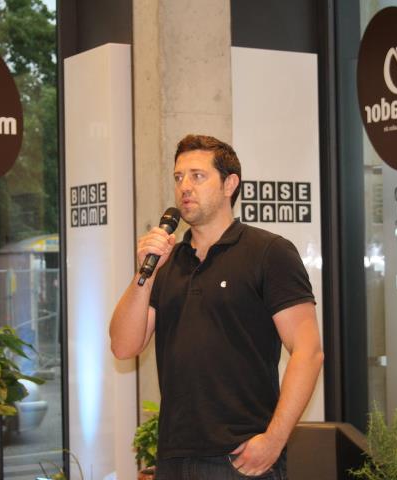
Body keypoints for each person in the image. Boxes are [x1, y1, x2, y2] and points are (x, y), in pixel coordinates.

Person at [110, 134, 323, 479]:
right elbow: (123, 346)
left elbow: (308, 351)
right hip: (175, 457)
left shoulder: (269, 253)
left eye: (197, 176)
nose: (185, 187)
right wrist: (144, 274)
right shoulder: (167, 263)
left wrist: (273, 440)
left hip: (241, 457)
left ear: (229, 184)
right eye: (178, 177)